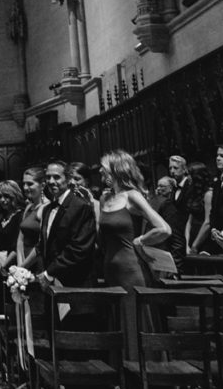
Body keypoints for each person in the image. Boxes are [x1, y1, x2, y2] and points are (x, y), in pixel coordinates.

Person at [99, 150, 170, 359]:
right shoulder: (105, 197)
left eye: (105, 171)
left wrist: (141, 240)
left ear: (118, 170)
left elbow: (163, 228)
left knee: (133, 320)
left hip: (131, 270)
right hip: (111, 269)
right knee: (117, 322)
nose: (102, 176)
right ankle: (119, 375)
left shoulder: (133, 196)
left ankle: (141, 378)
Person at [36, 159, 97, 293]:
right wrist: (43, 272)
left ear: (68, 179)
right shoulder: (47, 209)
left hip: (76, 284)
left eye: (56, 177)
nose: (51, 181)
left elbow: (79, 248)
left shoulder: (81, 207)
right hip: (51, 285)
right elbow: (43, 245)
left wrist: (49, 272)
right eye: (48, 177)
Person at [149, 176, 187, 271]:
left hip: (164, 258)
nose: (158, 189)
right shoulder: (154, 202)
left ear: (171, 188)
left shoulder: (168, 205)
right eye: (158, 186)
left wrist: (175, 268)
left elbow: (177, 240)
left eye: (162, 186)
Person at [16, 166, 48, 271]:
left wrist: (24, 266)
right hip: (23, 263)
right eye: (24, 184)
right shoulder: (29, 207)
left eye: (30, 184)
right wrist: (20, 265)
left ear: (42, 185)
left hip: (38, 262)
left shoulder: (46, 207)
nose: (25, 187)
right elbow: (20, 239)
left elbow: (41, 243)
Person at [186, 161, 213, 254]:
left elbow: (207, 222)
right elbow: (189, 221)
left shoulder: (208, 194)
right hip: (191, 238)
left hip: (204, 240)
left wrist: (194, 245)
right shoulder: (193, 194)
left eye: (189, 174)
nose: (187, 178)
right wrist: (186, 244)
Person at [209, 145, 223, 253]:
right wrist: (213, 229)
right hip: (218, 240)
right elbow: (214, 210)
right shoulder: (217, 182)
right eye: (217, 155)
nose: (218, 158)